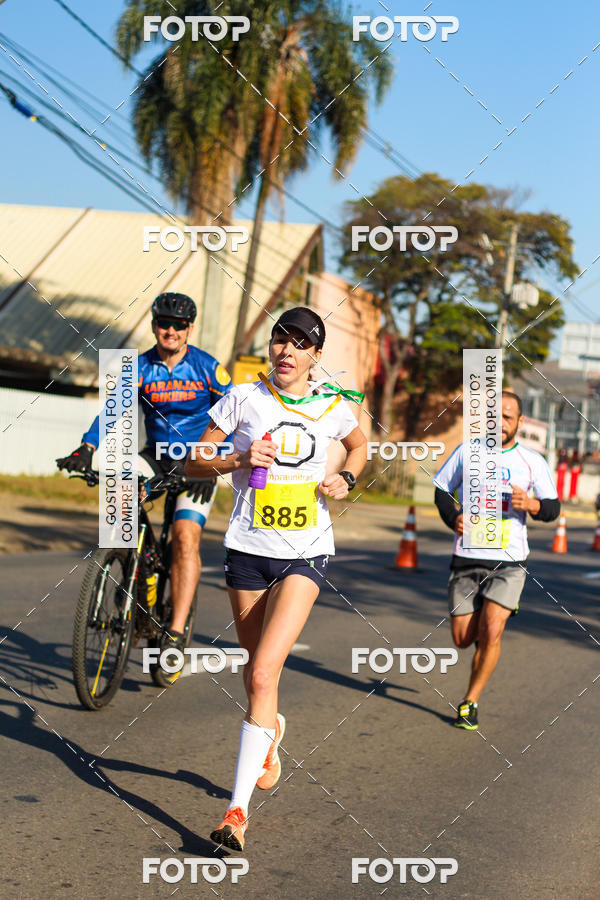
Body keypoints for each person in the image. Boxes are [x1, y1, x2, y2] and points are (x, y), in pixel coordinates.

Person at [185, 306, 367, 850]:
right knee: (253, 675)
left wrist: (346, 478)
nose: (285, 351)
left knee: (264, 674)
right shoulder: (244, 397)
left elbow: (360, 446)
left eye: (298, 344)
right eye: (279, 340)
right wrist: (236, 459)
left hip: (305, 553)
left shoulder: (336, 404)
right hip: (246, 550)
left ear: (315, 355)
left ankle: (235, 815)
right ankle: (270, 734)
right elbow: (195, 459)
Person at [57, 292, 231, 653]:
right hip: (155, 455)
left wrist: (214, 464)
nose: (170, 330)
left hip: (197, 461)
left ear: (189, 329)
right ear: (154, 326)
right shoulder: (138, 367)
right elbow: (111, 411)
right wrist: (87, 447)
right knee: (121, 499)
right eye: (163, 323)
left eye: (178, 325)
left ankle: (175, 631)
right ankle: (133, 562)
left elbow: (236, 418)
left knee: (184, 537)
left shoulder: (207, 367)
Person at [433, 390, 560, 731]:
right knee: (462, 638)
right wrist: (453, 516)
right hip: (467, 558)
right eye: (495, 416)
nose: (500, 423)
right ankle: (481, 641)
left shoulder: (533, 461)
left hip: (509, 562)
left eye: (507, 417)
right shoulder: (466, 452)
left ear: (520, 422)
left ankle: (470, 701)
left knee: (492, 629)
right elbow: (442, 490)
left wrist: (532, 505)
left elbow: (552, 508)